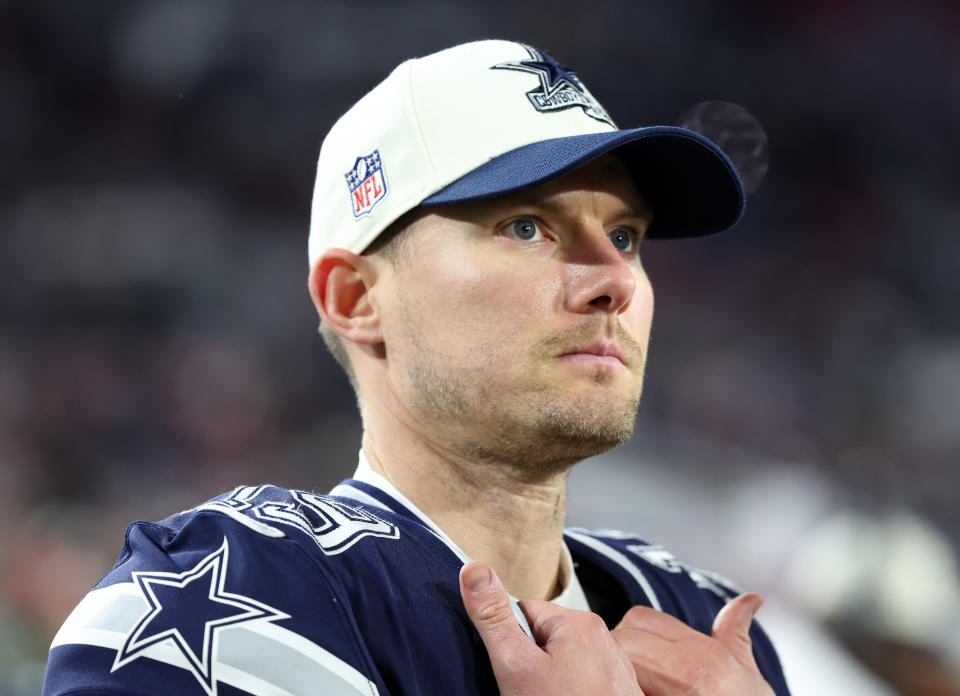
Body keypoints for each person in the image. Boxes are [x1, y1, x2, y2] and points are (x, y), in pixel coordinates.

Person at [42, 40, 791, 696]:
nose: (616, 281)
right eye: (526, 227)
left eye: (625, 237)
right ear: (357, 298)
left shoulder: (701, 621)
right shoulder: (235, 601)